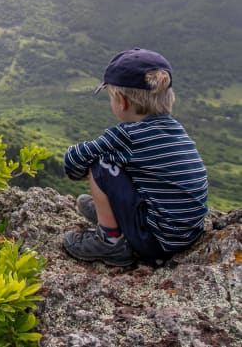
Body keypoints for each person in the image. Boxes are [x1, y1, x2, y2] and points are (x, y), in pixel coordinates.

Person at [63, 47, 208, 266]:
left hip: (156, 241)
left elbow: (73, 162)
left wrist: (85, 169)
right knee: (130, 167)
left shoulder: (126, 135)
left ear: (122, 101)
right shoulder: (176, 129)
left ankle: (110, 241)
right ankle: (117, 216)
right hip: (188, 235)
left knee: (101, 163)